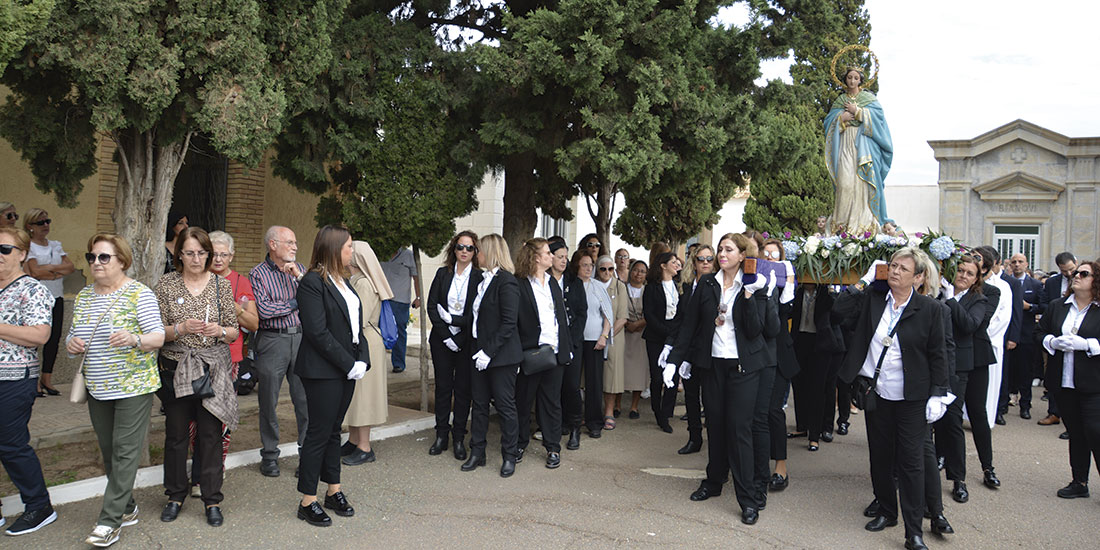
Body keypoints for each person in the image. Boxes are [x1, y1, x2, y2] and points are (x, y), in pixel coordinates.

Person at [835, 250, 949, 550]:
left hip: (911, 397)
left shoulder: (929, 309)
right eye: (892, 266)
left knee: (911, 463)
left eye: (903, 268)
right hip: (877, 393)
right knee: (880, 457)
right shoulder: (873, 298)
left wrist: (939, 394)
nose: (895, 272)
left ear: (919, 277)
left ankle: (914, 532)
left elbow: (939, 354)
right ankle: (887, 510)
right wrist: (864, 281)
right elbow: (837, 312)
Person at [668, 233, 777, 526]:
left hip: (745, 367)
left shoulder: (754, 283)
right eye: (720, 249)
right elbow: (690, 325)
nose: (722, 253)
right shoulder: (706, 283)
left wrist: (751, 296)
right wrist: (674, 359)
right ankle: (714, 481)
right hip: (713, 365)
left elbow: (757, 331)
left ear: (743, 255)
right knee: (714, 424)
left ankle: (748, 497)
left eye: (729, 249)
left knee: (739, 429)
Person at [67, 234, 165, 547]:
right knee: (110, 454)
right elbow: (73, 339)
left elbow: (158, 337)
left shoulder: (139, 294)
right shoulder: (83, 297)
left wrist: (135, 339)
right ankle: (128, 506)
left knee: (124, 453)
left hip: (134, 386)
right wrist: (71, 346)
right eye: (92, 257)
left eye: (103, 257)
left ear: (121, 260)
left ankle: (109, 522)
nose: (96, 263)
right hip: (97, 387)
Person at [154, 227, 240, 527]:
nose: (196, 258)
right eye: (189, 252)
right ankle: (175, 495)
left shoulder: (220, 286)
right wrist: (180, 329)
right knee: (176, 435)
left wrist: (219, 331)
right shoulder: (165, 285)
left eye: (202, 253)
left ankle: (212, 498)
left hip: (211, 368)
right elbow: (156, 331)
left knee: (210, 435)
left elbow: (234, 330)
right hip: (175, 367)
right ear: (178, 254)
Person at [294, 225, 369, 527]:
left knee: (333, 431)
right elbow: (317, 332)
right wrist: (346, 363)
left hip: (346, 368)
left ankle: (333, 491)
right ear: (334, 248)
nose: (353, 251)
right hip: (322, 370)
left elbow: (356, 327)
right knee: (319, 433)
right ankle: (307, 500)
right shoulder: (313, 282)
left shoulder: (343, 281)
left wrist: (362, 359)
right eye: (349, 246)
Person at [190, 231, 258, 495]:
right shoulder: (194, 279)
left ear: (232, 256)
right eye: (213, 253)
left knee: (220, 419)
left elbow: (253, 324)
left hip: (228, 361)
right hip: (194, 359)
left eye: (224, 254)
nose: (218, 259)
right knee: (194, 420)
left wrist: (235, 307)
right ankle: (199, 471)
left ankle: (214, 471)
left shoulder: (240, 281)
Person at [0, 226, 58, 536]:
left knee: (11, 445)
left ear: (22, 254)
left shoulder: (32, 289)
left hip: (14, 379)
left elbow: (40, 334)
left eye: (4, 249)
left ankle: (39, 506)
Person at [934, 254, 996, 506]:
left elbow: (969, 325)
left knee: (953, 418)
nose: (963, 276)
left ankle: (958, 478)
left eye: (969, 273)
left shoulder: (978, 299)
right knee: (933, 417)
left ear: (976, 279)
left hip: (961, 366)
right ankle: (933, 461)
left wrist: (950, 299)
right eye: (960, 271)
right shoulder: (938, 292)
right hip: (936, 362)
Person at [249, 226, 309, 478]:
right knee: (268, 401)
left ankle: (307, 454)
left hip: (302, 340)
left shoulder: (301, 270)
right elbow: (265, 310)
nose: (295, 247)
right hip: (272, 341)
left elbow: (315, 299)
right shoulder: (258, 274)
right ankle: (270, 455)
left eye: (295, 242)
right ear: (273, 245)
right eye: (289, 242)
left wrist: (299, 280)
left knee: (305, 401)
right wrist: (296, 302)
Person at [1039, 260, 1100, 500]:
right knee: (1076, 432)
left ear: (1096, 281)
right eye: (1075, 273)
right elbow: (1039, 332)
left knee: (1095, 431)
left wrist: (1088, 344)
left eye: (1084, 273)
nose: (1076, 276)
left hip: (1094, 383)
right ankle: (1079, 481)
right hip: (1064, 382)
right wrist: (1052, 342)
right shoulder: (1058, 306)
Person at [462, 234, 522, 477]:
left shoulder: (507, 282)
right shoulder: (483, 280)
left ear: (490, 252)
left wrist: (488, 352)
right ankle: (478, 451)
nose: (477, 254)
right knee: (479, 404)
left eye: (479, 250)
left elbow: (508, 323)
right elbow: (477, 319)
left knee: (506, 406)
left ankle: (509, 455)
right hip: (479, 353)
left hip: (501, 356)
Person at [514, 237, 571, 468]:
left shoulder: (553, 283)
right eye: (548, 253)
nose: (551, 256)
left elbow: (561, 319)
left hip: (554, 353)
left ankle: (553, 448)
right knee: (523, 401)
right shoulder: (520, 284)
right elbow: (515, 322)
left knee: (551, 403)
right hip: (531, 354)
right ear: (536, 257)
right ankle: (518, 444)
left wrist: (566, 350)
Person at [424, 231, 481, 459]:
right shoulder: (442, 274)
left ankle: (459, 437)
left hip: (466, 342)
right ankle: (441, 435)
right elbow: (431, 306)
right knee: (443, 388)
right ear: (453, 249)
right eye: (460, 247)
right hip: (441, 341)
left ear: (475, 252)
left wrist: (457, 333)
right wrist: (446, 335)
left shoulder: (479, 277)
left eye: (469, 248)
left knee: (463, 390)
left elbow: (477, 315)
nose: (464, 251)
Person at [342, 240, 396, 466]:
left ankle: (364, 447)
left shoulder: (363, 283)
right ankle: (354, 441)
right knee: (356, 396)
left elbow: (357, 320)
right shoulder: (357, 280)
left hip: (365, 343)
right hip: (362, 342)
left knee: (364, 397)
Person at [824, 66, 893, 235]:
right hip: (844, 144)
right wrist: (841, 118)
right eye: (849, 77)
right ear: (845, 79)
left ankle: (863, 227)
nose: (852, 81)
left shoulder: (868, 99)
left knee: (862, 184)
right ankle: (841, 227)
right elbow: (828, 123)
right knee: (845, 184)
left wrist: (859, 112)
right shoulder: (840, 101)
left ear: (861, 80)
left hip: (863, 146)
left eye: (856, 78)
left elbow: (879, 120)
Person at [760, 239, 800, 491]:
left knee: (774, 410)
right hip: (756, 354)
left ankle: (781, 466)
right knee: (757, 411)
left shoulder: (786, 282)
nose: (771, 257)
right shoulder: (754, 280)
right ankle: (758, 462)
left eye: (775, 254)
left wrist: (789, 282)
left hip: (779, 356)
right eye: (766, 254)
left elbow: (786, 309)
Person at [22, 208, 75, 396]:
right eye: (40, 223)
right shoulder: (28, 245)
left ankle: (47, 378)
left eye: (47, 221)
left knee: (54, 339)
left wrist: (50, 269)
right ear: (30, 226)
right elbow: (35, 272)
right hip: (36, 298)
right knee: (35, 340)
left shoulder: (54, 245)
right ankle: (33, 380)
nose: (45, 225)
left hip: (57, 296)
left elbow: (70, 267)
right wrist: (57, 271)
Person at [676, 245, 716, 454]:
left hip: (710, 351)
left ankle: (715, 440)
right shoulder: (687, 286)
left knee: (710, 399)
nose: (706, 263)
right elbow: (682, 319)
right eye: (701, 259)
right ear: (694, 262)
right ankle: (694, 438)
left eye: (710, 259)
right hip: (690, 350)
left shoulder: (718, 285)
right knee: (691, 397)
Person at [547, 238, 586, 449]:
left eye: (565, 257)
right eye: (560, 256)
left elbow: (581, 313)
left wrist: (572, 340)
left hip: (571, 343)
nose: (564, 261)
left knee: (571, 386)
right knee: (552, 388)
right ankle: (553, 427)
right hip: (549, 343)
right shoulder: (542, 280)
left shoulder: (574, 281)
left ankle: (574, 428)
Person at [1037, 252, 1078, 427]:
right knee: (1054, 373)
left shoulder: (1085, 279)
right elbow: (1043, 303)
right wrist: (1059, 306)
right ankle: (1054, 412)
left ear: (1075, 263)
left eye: (1071, 270)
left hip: (1078, 334)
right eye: (1064, 271)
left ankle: (1074, 419)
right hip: (1056, 330)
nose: (1069, 274)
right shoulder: (1052, 282)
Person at [644, 252, 682, 433]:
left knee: (673, 377)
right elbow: (649, 315)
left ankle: (666, 414)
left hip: (675, 335)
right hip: (656, 336)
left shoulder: (680, 286)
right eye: (673, 262)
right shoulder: (652, 287)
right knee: (658, 376)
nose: (677, 264)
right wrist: (667, 331)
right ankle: (657, 411)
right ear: (663, 265)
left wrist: (675, 333)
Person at [577, 253, 612, 438]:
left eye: (591, 265)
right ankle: (572, 420)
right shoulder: (571, 285)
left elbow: (608, 314)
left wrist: (604, 336)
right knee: (572, 383)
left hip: (595, 340)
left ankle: (594, 423)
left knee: (594, 383)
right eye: (585, 265)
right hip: (574, 340)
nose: (589, 268)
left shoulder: (598, 286)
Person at [1005, 253, 1043, 420]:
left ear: (1027, 264)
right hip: (1008, 334)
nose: (1017, 264)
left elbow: (1043, 307)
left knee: (1025, 372)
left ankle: (1025, 405)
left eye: (1020, 262)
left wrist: (1030, 307)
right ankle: (1003, 404)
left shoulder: (1034, 284)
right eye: (1014, 262)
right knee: (1008, 371)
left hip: (1027, 335)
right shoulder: (1005, 283)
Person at [595, 255, 628, 429]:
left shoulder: (620, 287)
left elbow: (622, 318)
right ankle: (592, 412)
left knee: (612, 376)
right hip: (593, 337)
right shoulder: (591, 285)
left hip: (614, 337)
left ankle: (609, 412)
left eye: (610, 269)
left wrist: (606, 336)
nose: (607, 272)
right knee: (591, 376)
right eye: (603, 269)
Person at [380, 245, 420, 373]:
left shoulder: (408, 255)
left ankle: (398, 364)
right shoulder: (381, 252)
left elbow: (416, 277)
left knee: (399, 332)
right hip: (382, 299)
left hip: (400, 301)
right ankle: (377, 363)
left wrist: (418, 297)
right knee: (378, 331)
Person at [622, 260, 648, 419]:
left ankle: (634, 406)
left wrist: (639, 323)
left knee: (639, 371)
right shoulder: (621, 288)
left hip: (641, 334)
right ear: (630, 271)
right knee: (621, 370)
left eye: (642, 271)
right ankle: (617, 404)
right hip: (623, 332)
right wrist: (626, 324)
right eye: (636, 270)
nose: (638, 274)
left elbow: (652, 311)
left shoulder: (648, 291)